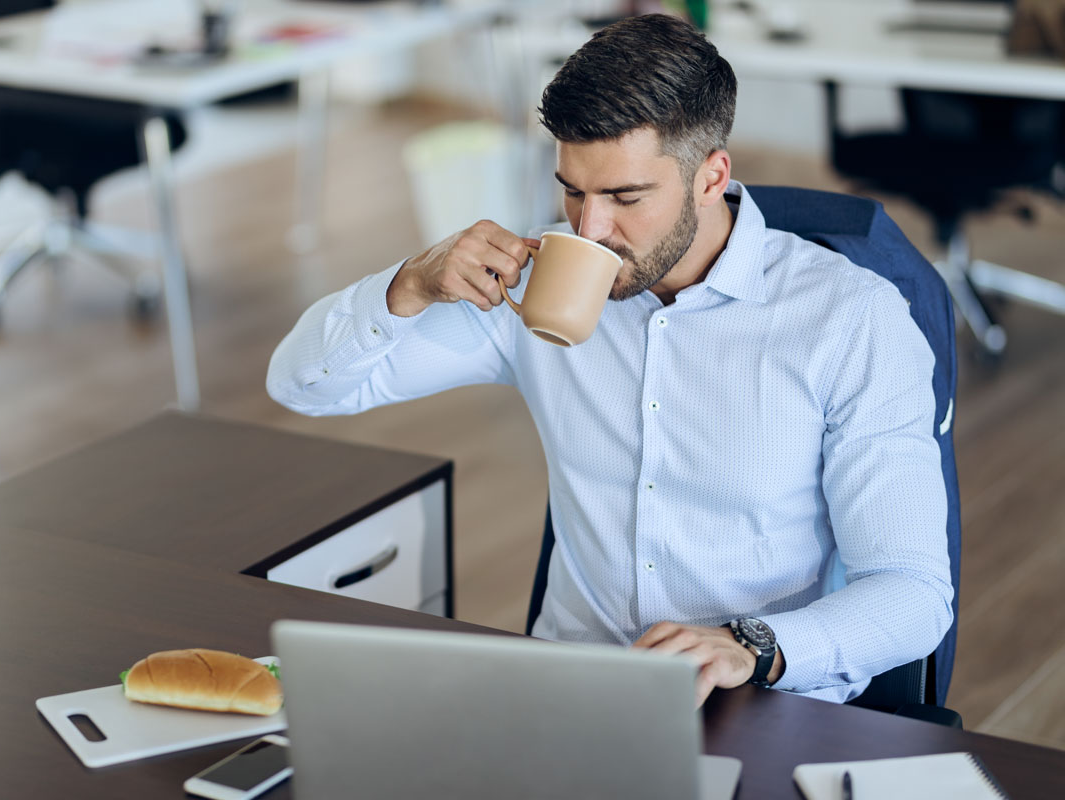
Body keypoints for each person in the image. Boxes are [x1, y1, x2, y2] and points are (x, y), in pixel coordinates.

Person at [267, 14, 953, 704]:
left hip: (760, 705)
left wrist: (751, 645)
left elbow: (912, 592)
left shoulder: (850, 318)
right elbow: (305, 387)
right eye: (572, 190)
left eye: (625, 197)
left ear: (712, 177)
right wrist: (407, 284)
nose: (589, 228)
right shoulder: (539, 283)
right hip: (569, 688)